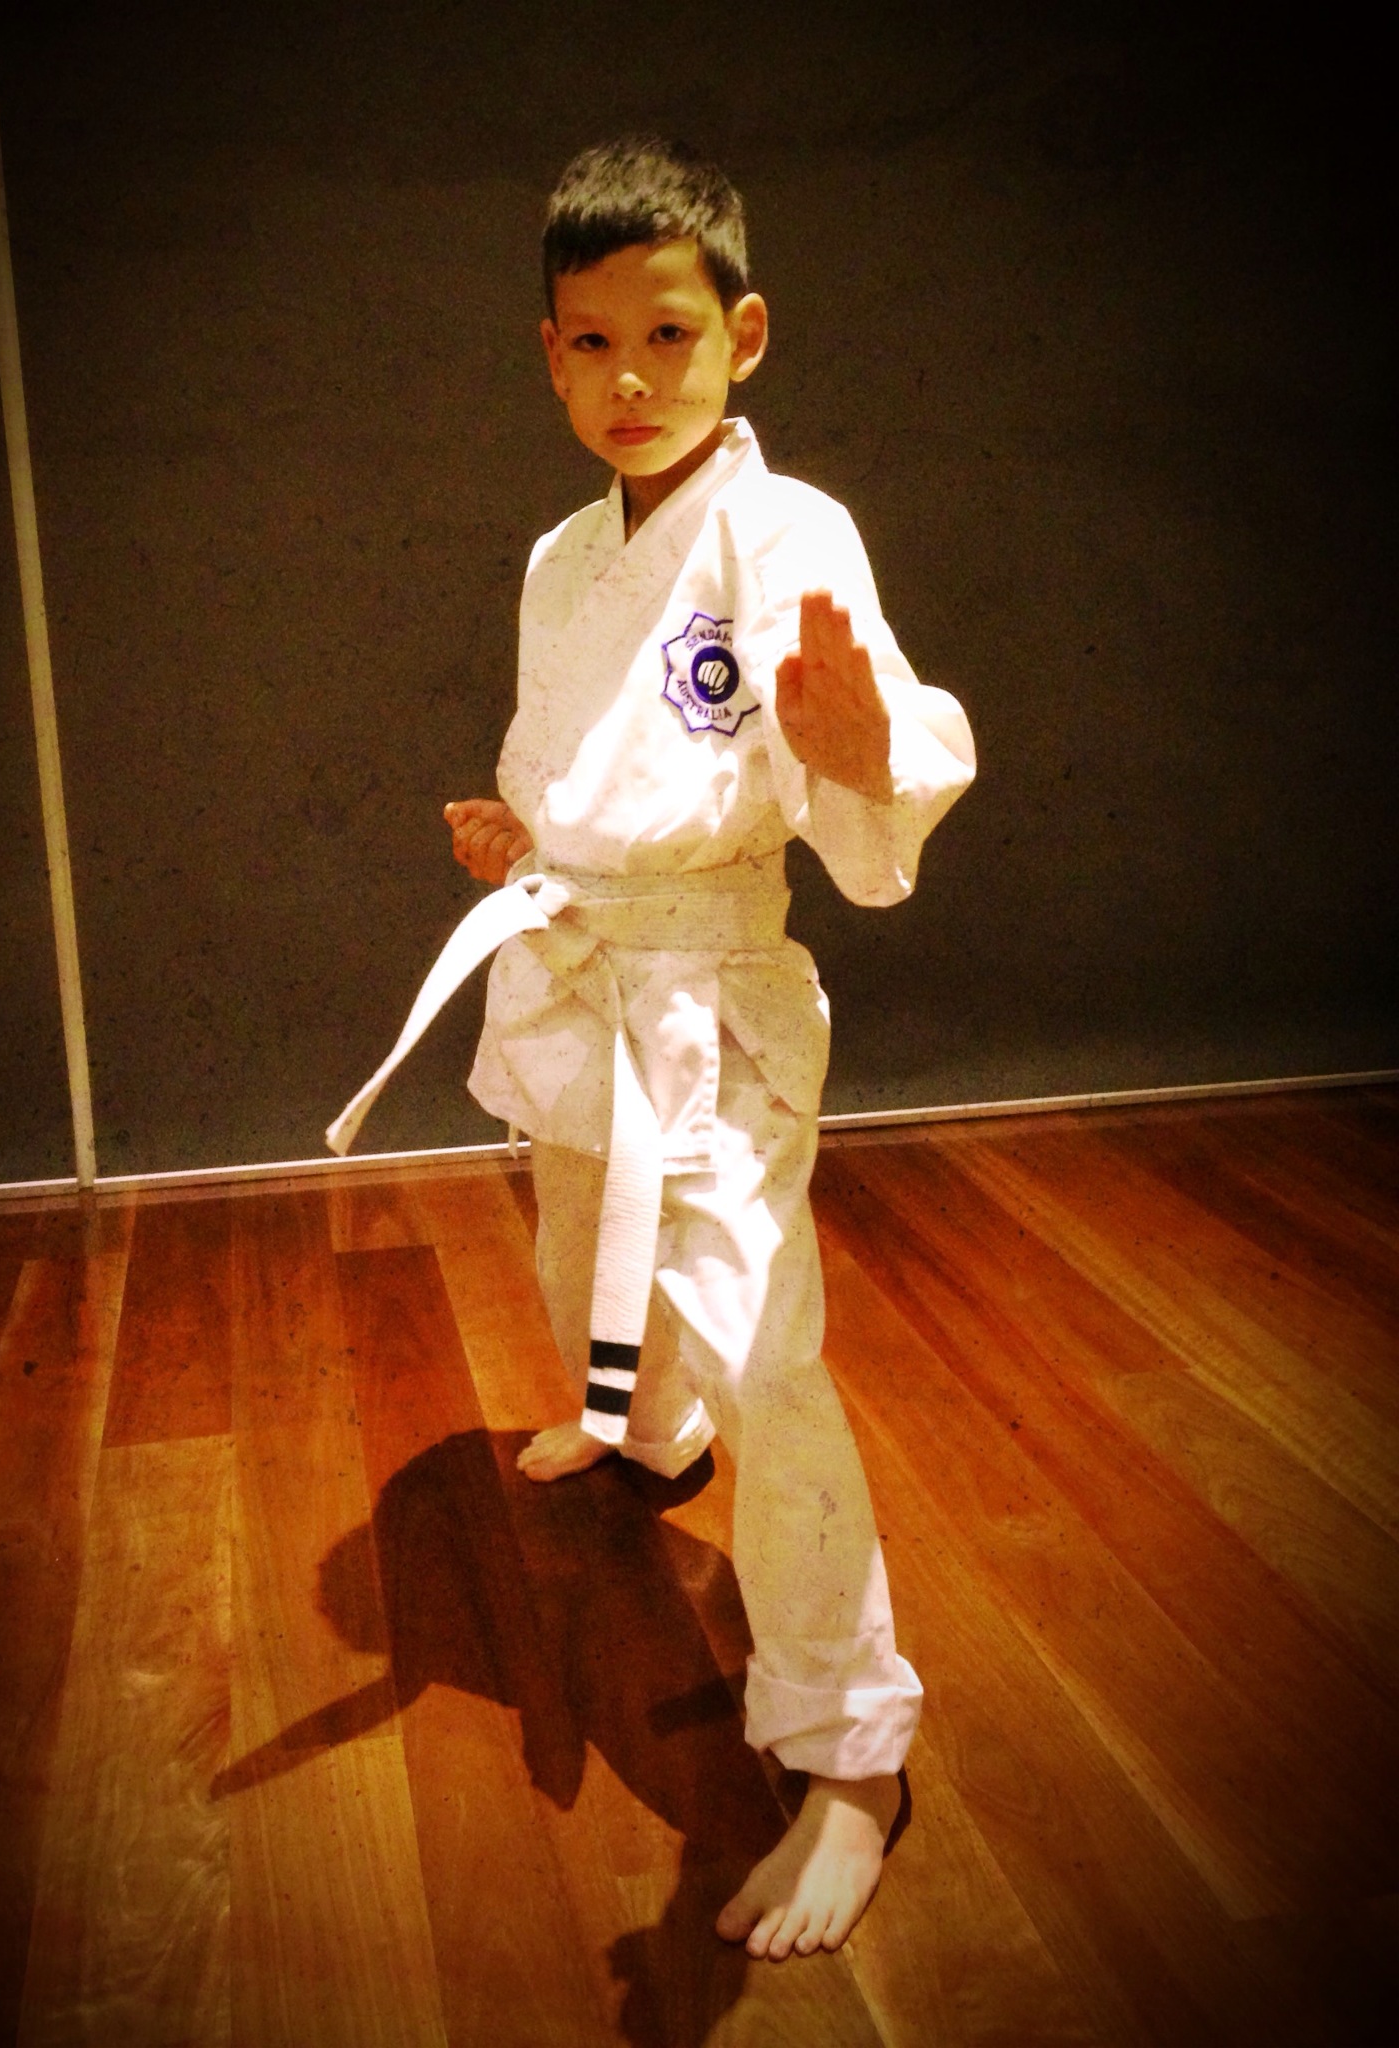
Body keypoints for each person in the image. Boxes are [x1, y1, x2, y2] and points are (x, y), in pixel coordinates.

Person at [346, 136, 975, 1962]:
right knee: (575, 1243)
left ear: (743, 336)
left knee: (769, 1352)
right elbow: (589, 769)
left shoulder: (791, 535)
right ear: (550, 356)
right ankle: (642, 1422)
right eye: (594, 343)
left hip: (709, 997)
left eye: (671, 336)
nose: (633, 378)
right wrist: (530, 838)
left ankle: (851, 1753)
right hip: (584, 963)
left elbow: (868, 759)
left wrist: (861, 752)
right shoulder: (563, 555)